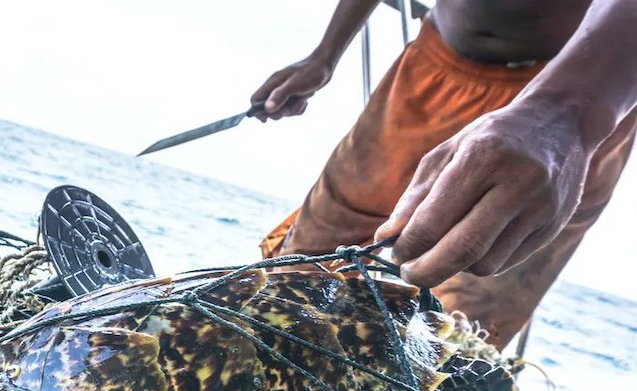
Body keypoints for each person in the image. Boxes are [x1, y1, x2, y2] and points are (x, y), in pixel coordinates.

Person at [252, 0, 637, 350]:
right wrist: (325, 53)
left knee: (463, 342)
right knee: (294, 279)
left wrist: (570, 111)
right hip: (432, 68)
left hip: (585, 92)